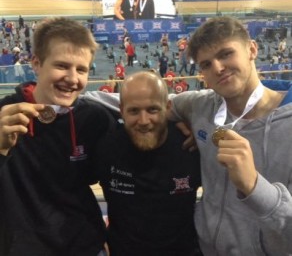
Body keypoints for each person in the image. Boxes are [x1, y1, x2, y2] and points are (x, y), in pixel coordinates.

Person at [169, 16, 292, 255]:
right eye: (206, 64)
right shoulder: (200, 107)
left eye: (226, 54)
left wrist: (254, 186)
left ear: (252, 49)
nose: (217, 67)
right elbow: (150, 103)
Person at [0, 17, 115, 256]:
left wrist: (182, 122)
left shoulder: (94, 119)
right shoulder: (4, 116)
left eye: (81, 69)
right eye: (62, 66)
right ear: (36, 63)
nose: (73, 79)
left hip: (85, 247)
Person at [95, 71, 202, 256]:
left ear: (168, 108)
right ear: (121, 110)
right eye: (134, 111)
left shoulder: (191, 146)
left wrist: (197, 127)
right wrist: (96, 237)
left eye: (153, 109)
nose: (144, 121)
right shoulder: (104, 147)